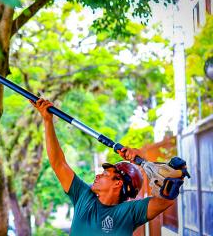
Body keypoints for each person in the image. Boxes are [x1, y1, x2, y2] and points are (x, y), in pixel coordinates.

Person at [32, 98, 176, 235]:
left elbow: (166, 200)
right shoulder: (83, 196)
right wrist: (47, 121)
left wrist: (143, 161)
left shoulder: (131, 212)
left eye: (106, 174)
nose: (98, 175)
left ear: (118, 182)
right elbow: (59, 163)